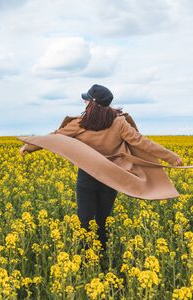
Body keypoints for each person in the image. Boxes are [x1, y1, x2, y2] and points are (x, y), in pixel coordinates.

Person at [19, 84, 183, 253]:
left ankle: (85, 258)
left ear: (92, 104)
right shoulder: (119, 123)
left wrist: (29, 147)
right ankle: (101, 256)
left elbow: (54, 138)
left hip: (87, 178)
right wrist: (171, 157)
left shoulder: (80, 123)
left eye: (86, 100)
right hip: (111, 177)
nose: (84, 103)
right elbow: (141, 141)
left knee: (85, 220)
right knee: (103, 220)